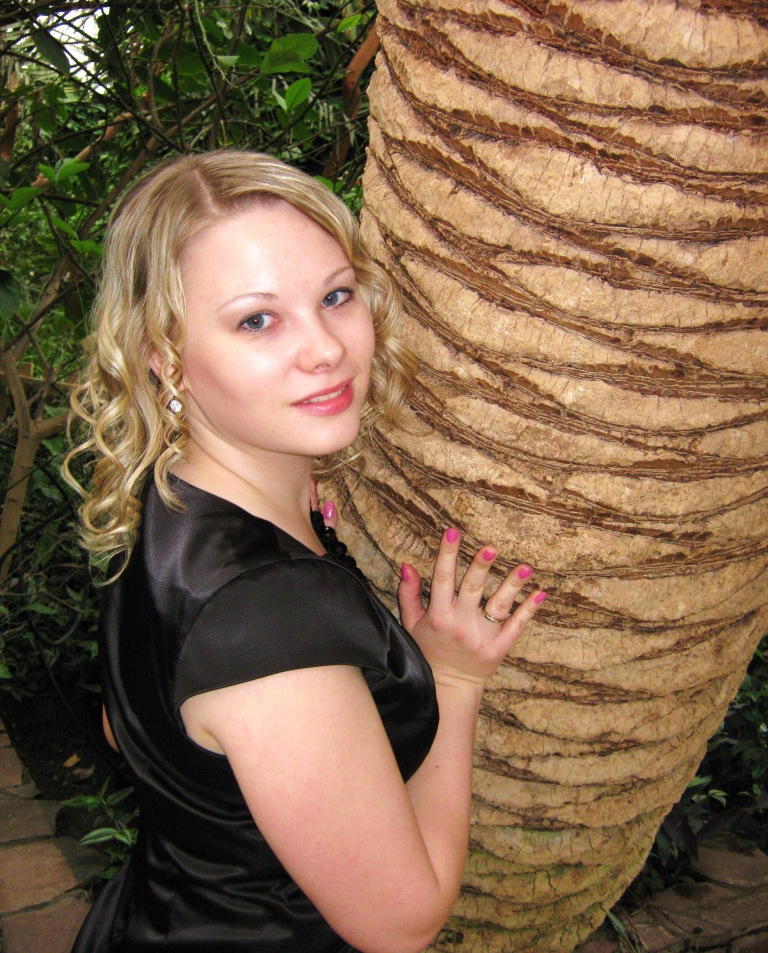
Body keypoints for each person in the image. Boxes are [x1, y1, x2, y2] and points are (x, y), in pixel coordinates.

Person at [64, 150, 546, 953]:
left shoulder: (165, 495)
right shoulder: (267, 616)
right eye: (257, 319)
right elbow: (402, 921)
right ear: (164, 356)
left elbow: (124, 727)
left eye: (335, 295)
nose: (325, 348)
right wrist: (455, 678)